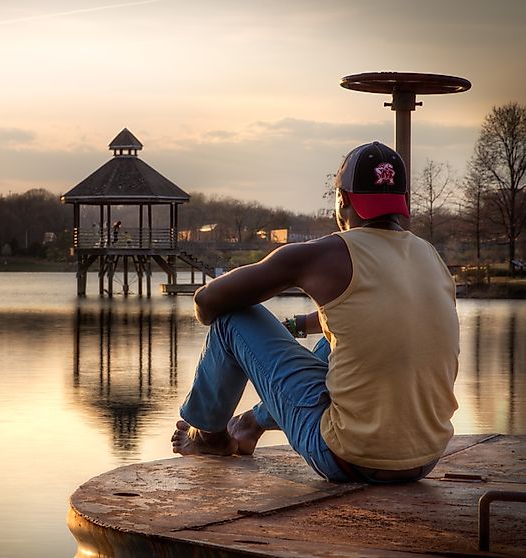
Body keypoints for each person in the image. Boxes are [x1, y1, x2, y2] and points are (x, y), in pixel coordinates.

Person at [171, 142, 459, 483]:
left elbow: (207, 304)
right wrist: (299, 325)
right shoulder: (430, 256)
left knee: (233, 320)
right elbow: (368, 324)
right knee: (336, 342)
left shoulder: (326, 253)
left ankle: (209, 437)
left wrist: (274, 280)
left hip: (347, 458)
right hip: (424, 458)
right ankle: (251, 424)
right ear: (402, 203)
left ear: (343, 199)